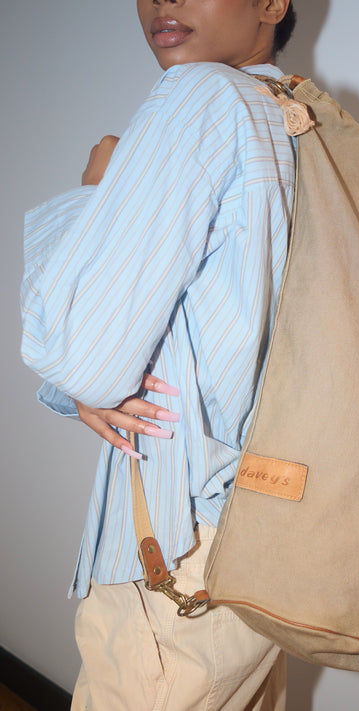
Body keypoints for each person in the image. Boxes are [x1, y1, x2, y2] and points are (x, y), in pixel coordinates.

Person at [20, 1, 297, 708]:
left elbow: (82, 357)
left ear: (273, 3)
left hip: (184, 541)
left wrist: (94, 192)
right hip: (271, 533)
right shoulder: (298, 116)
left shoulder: (203, 96)